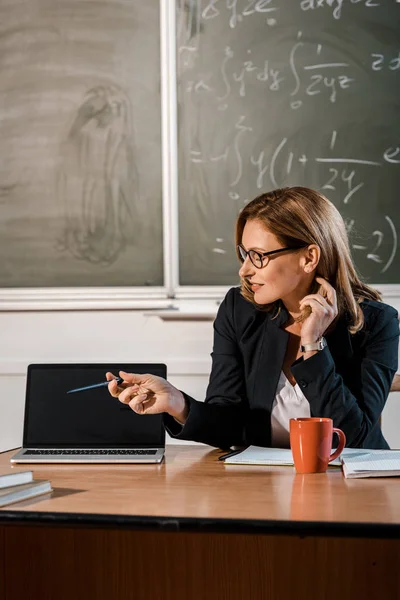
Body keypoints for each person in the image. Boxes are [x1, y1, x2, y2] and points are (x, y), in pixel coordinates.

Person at [107, 187, 399, 449]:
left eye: (259, 256)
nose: (244, 270)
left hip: (351, 489)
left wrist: (313, 346)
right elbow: (229, 424)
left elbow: (355, 438)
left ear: (309, 258)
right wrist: (178, 404)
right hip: (261, 484)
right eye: (244, 254)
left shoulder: (377, 323)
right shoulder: (240, 310)